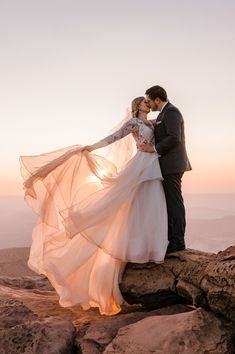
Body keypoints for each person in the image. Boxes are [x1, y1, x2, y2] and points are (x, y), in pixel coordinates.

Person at [20, 96, 168, 316]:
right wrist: (92, 147)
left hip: (152, 164)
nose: (148, 104)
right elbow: (114, 138)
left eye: (149, 102)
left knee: (153, 203)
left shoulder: (152, 123)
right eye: (145, 102)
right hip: (140, 165)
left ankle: (151, 247)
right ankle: (136, 248)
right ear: (138, 107)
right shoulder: (134, 124)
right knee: (137, 204)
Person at [138, 86, 191, 254]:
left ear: (157, 100)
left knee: (174, 203)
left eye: (149, 100)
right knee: (169, 202)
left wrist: (153, 148)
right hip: (166, 165)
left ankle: (177, 242)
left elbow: (174, 137)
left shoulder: (171, 112)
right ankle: (170, 239)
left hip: (172, 165)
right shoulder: (163, 114)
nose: (148, 103)